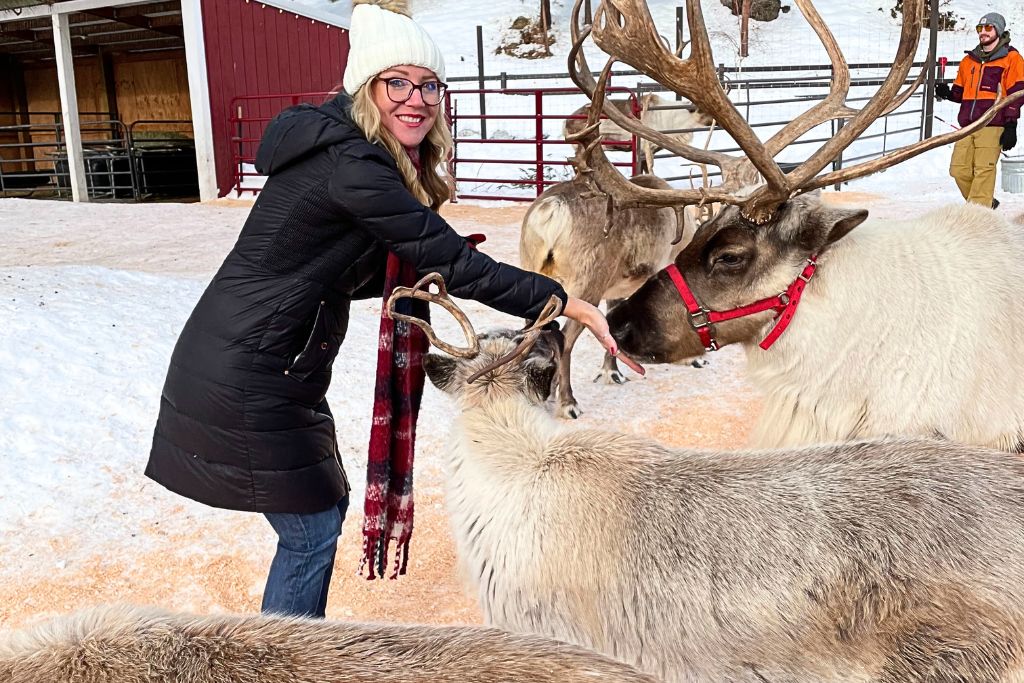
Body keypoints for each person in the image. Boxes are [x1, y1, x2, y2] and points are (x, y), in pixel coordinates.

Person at [145, 0, 617, 618]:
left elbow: (329, 267)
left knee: (317, 517)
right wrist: (565, 302)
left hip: (263, 357)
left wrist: (418, 273)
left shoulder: (343, 149)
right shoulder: (354, 165)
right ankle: (289, 658)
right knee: (311, 531)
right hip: (251, 370)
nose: (415, 99)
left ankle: (287, 647)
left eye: (427, 85)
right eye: (396, 82)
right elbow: (453, 260)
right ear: (366, 88)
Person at [935, 12, 1024, 208]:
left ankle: (978, 213)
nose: (982, 32)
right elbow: (959, 94)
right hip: (968, 125)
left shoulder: (1012, 59)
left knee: (984, 170)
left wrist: (1011, 125)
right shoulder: (969, 61)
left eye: (988, 28)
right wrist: (947, 92)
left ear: (998, 31)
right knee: (958, 169)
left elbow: (1017, 93)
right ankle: (985, 203)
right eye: (979, 29)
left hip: (993, 124)